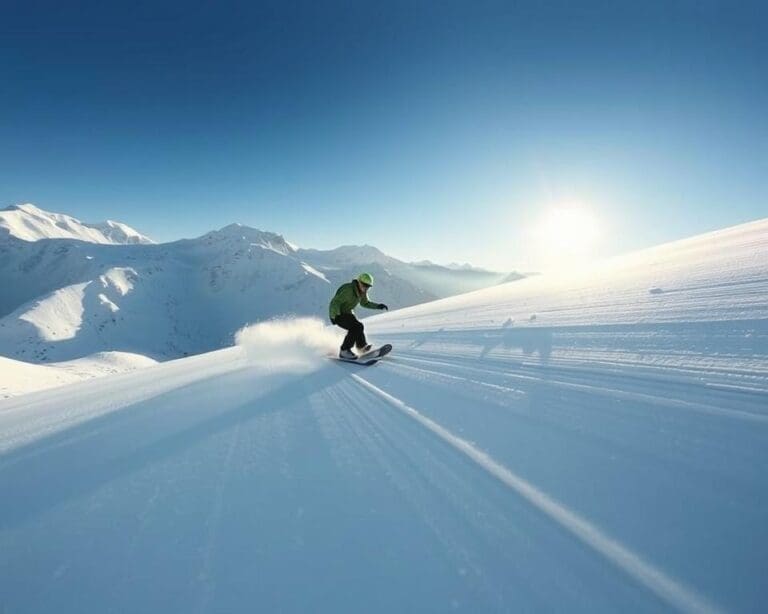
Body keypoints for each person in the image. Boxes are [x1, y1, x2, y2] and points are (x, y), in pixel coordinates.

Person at [329, 272, 388, 359]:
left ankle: (362, 347)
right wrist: (335, 316)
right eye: (364, 285)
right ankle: (344, 350)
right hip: (337, 314)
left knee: (359, 326)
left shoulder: (362, 292)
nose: (366, 288)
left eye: (368, 286)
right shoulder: (348, 290)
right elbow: (335, 302)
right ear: (359, 282)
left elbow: (365, 303)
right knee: (356, 327)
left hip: (348, 313)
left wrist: (378, 306)